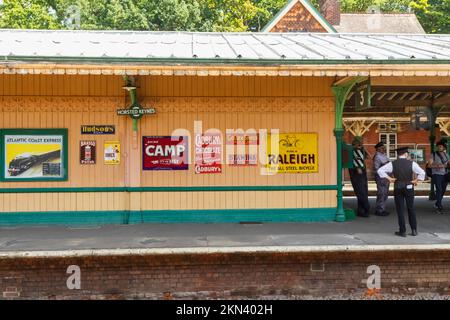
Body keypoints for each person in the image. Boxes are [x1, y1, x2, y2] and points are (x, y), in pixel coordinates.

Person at [377, 146, 425, 237]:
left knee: (400, 209)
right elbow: (422, 172)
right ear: (406, 154)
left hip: (398, 186)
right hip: (409, 187)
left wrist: (389, 178)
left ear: (398, 154)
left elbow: (380, 171)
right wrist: (417, 180)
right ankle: (414, 230)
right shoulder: (412, 163)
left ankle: (402, 231)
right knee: (411, 208)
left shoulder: (393, 163)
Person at [349, 137, 370, 217]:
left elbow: (368, 157)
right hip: (357, 173)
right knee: (361, 191)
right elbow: (355, 161)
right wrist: (358, 169)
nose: (361, 144)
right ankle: (366, 208)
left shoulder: (361, 150)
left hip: (362, 172)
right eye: (360, 143)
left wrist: (363, 149)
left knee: (363, 190)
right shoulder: (352, 151)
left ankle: (361, 210)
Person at [428, 140, 449, 214]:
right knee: (439, 190)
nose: (439, 147)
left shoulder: (446, 155)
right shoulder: (433, 154)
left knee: (443, 190)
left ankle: (437, 203)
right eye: (438, 146)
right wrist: (438, 166)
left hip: (445, 175)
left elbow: (448, 163)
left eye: (441, 146)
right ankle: (439, 207)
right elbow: (429, 165)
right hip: (437, 174)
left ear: (444, 147)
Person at [373, 142, 391, 216]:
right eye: (382, 148)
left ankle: (382, 208)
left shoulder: (384, 155)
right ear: (378, 149)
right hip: (381, 177)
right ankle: (379, 210)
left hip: (386, 177)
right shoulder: (377, 157)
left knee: (385, 193)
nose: (384, 149)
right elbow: (376, 168)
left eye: (384, 148)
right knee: (381, 193)